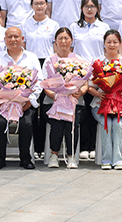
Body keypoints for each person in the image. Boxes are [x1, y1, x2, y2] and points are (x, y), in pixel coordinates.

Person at [0, 27, 43, 169]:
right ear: (4, 40)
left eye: (16, 36)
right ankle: (0, 158)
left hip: (25, 104)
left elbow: (39, 81)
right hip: (3, 105)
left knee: (26, 124)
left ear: (22, 39)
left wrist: (30, 100)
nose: (13, 40)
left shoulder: (31, 58)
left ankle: (25, 158)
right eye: (9, 37)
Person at [42, 28, 87, 169]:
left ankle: (71, 155)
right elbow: (45, 85)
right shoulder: (50, 60)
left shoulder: (78, 60)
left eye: (66, 38)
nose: (63, 41)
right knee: (57, 122)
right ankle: (54, 155)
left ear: (71, 40)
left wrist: (80, 92)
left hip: (74, 102)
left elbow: (85, 84)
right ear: (55, 41)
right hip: (53, 101)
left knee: (72, 122)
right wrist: (56, 96)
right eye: (60, 38)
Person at [89, 30, 122, 170]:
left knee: (117, 124)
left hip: (121, 105)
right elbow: (89, 86)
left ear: (120, 43)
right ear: (104, 44)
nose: (112, 45)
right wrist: (98, 93)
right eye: (109, 42)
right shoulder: (98, 62)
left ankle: (118, 159)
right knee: (106, 123)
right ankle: (106, 159)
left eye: (115, 42)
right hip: (100, 105)